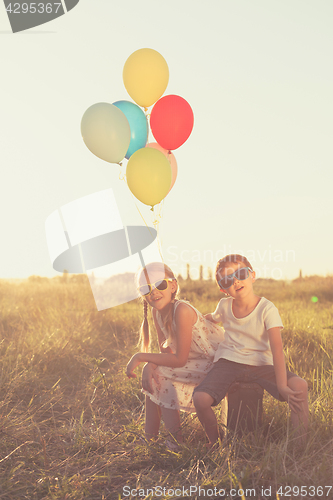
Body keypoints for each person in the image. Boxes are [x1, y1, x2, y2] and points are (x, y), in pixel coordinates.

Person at [193, 254, 309, 447]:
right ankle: (215, 443)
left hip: (261, 364)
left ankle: (300, 446)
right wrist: (199, 321)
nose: (236, 281)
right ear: (223, 289)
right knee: (200, 398)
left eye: (240, 273)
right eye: (228, 280)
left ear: (252, 275)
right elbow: (212, 317)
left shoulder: (267, 308)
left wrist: (282, 386)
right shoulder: (224, 305)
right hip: (228, 363)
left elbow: (277, 349)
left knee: (300, 386)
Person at [126, 262, 226, 447]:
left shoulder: (182, 310)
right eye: (145, 288)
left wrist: (141, 357)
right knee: (157, 373)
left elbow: (179, 359)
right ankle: (150, 437)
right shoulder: (157, 313)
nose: (153, 291)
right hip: (195, 362)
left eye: (160, 284)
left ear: (173, 286)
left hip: (217, 362)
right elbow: (166, 354)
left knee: (162, 373)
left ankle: (175, 441)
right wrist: (150, 365)